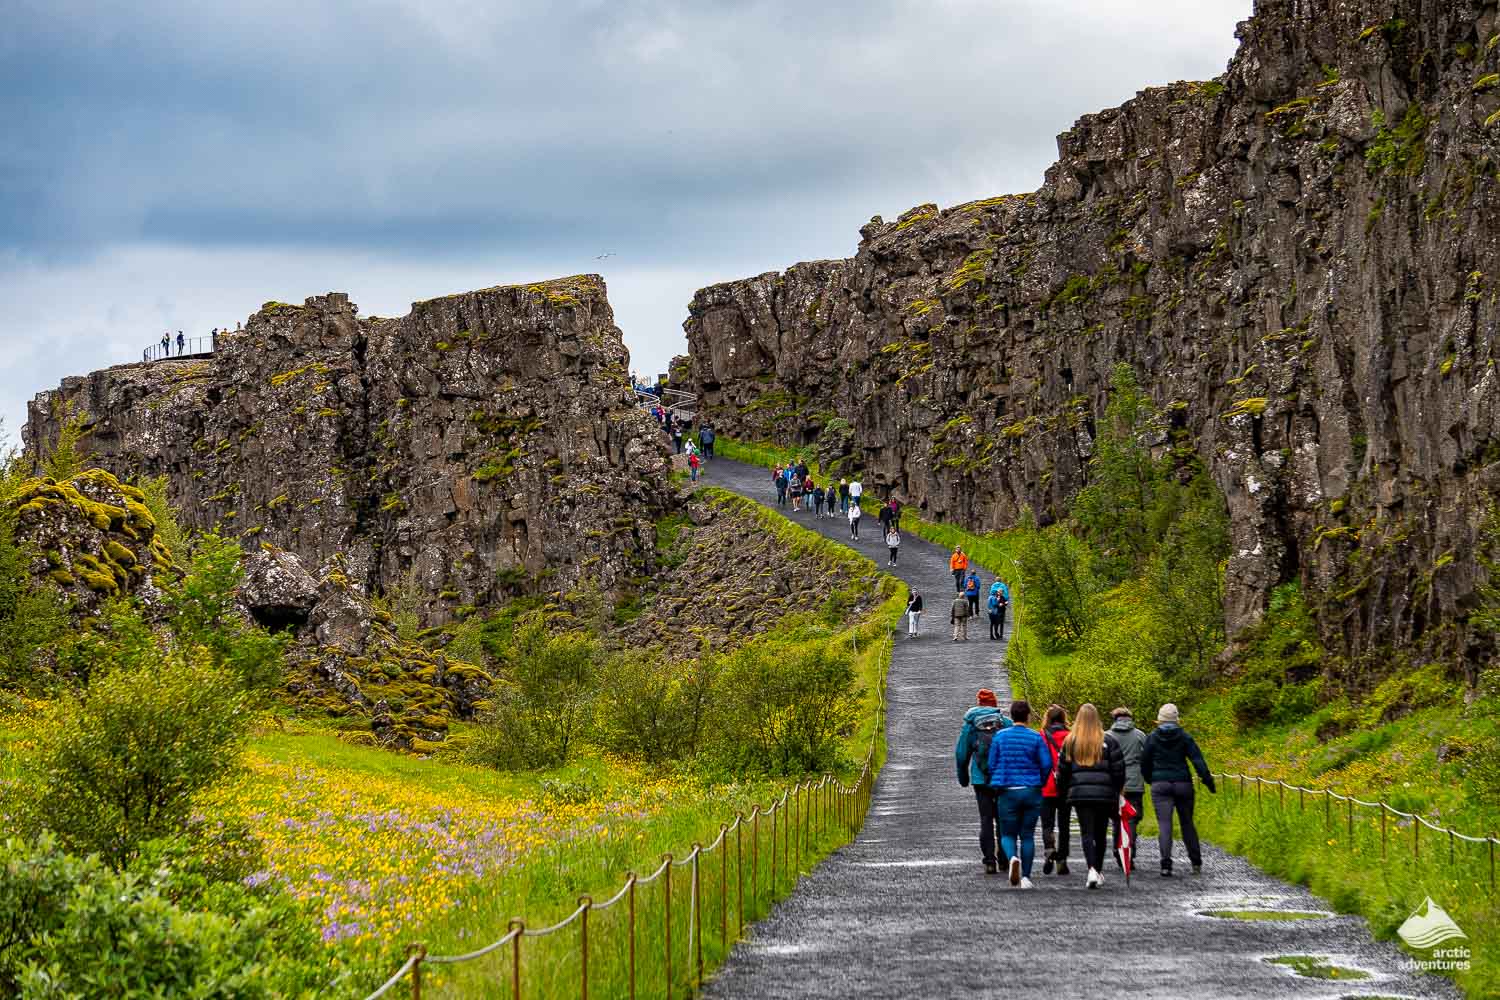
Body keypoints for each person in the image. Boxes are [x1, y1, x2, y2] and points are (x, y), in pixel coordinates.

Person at [1141, 703, 1216, 877]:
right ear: (1177, 719)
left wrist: (1150, 779)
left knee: (1165, 824)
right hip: (1183, 783)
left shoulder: (1152, 737)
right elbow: (1198, 761)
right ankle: (1196, 862)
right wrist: (1208, 782)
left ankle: (1166, 865)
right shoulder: (1185, 737)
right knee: (1187, 823)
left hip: (1160, 784)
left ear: (1159, 720)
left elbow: (1144, 762)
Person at [985, 699, 1054, 888]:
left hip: (1007, 791)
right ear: (1028, 716)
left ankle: (1013, 858)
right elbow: (1047, 763)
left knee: (1007, 834)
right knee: (1027, 835)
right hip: (1031, 791)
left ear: (1012, 715)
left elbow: (991, 764)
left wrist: (997, 778)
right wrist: (1039, 780)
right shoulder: (1035, 737)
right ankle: (1026, 877)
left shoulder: (1000, 737)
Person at [1056, 703, 1125, 889]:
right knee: (1101, 834)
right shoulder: (1108, 741)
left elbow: (1063, 771)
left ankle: (1091, 869)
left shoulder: (1071, 741)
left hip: (1080, 795)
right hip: (1104, 795)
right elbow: (1118, 769)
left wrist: (1063, 791)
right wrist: (1118, 790)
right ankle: (1098, 869)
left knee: (1087, 832)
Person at [955, 689, 1012, 875]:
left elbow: (962, 754)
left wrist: (963, 777)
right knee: (1003, 819)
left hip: (981, 780)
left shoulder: (970, 725)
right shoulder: (1004, 722)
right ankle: (1004, 858)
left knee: (986, 820)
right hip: (1003, 779)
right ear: (994, 704)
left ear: (978, 704)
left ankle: (989, 861)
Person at [1109, 707, 1148, 869]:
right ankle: (1128, 850)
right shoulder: (1140, 736)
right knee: (1131, 818)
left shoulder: (1107, 736)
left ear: (1115, 719)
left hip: (1113, 783)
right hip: (1134, 782)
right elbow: (1146, 758)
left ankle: (1118, 850)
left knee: (1117, 819)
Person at [1039, 705, 1072, 876]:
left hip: (1047, 785)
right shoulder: (1070, 736)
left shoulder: (1042, 736)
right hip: (1066, 786)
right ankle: (1062, 859)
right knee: (1064, 824)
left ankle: (1049, 848)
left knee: (1047, 823)